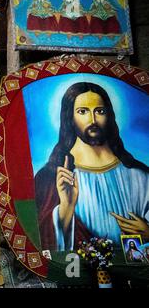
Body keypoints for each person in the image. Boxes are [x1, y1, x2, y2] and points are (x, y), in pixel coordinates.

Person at [35, 82, 149, 251]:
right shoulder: (51, 178)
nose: (93, 120)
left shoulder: (139, 175)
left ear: (109, 116)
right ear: (70, 118)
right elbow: (41, 241)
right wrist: (66, 207)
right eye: (83, 111)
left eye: (99, 111)